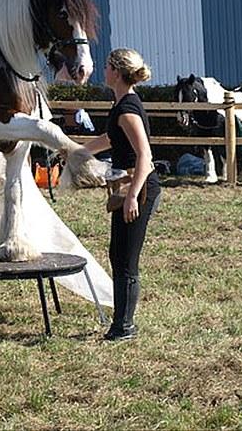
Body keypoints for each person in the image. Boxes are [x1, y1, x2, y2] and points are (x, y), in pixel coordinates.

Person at [83, 48, 161, 341]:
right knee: (118, 254)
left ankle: (124, 327)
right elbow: (109, 139)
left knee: (126, 258)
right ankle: (121, 323)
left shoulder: (127, 109)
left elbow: (145, 156)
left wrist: (132, 197)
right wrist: (76, 151)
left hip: (138, 189)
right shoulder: (121, 105)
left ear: (116, 71)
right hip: (127, 186)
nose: (103, 71)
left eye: (106, 66)